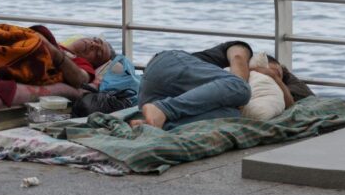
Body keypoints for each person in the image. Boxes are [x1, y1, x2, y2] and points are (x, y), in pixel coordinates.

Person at [131, 41, 314, 130]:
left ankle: (153, 122)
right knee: (241, 88)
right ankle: (163, 110)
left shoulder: (216, 90)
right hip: (167, 65)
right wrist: (255, 72)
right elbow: (237, 58)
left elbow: (294, 104)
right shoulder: (241, 49)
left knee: (232, 115)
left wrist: (277, 80)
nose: (271, 75)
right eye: (274, 70)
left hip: (153, 96)